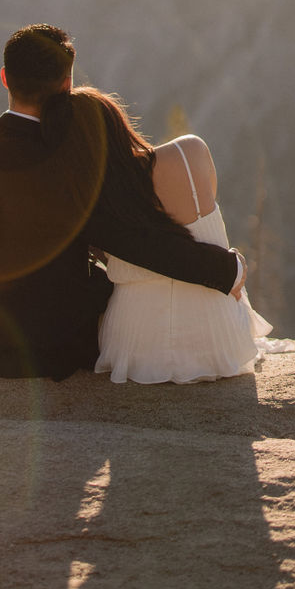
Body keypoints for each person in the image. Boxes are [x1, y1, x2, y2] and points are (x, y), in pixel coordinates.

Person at [0, 24, 244, 380]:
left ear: (5, 78)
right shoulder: (69, 157)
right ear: (66, 84)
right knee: (120, 287)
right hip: (54, 348)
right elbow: (132, 241)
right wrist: (226, 271)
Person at [88, 88, 272, 383]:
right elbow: (206, 210)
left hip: (132, 345)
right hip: (216, 338)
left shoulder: (92, 199)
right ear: (119, 126)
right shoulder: (188, 152)